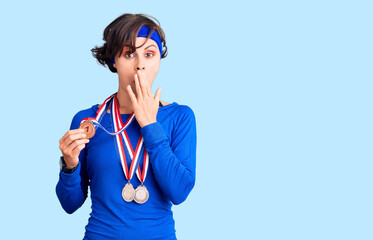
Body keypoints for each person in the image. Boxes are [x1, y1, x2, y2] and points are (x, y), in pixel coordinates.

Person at [56, 13, 197, 240]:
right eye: (129, 54)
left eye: (149, 54)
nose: (140, 65)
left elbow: (179, 192)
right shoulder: (88, 121)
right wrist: (69, 165)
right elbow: (69, 204)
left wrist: (150, 125)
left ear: (159, 60)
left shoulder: (180, 117)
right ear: (114, 60)